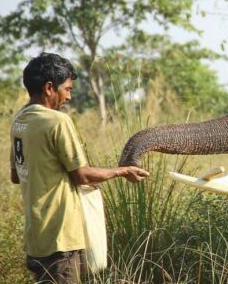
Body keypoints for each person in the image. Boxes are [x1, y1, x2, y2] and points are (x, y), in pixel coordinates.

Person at [10, 53, 150, 283]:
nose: (69, 96)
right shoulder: (57, 121)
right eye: (67, 89)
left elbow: (17, 175)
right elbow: (82, 174)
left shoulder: (20, 120)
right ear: (49, 88)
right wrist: (122, 171)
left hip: (35, 236)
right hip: (60, 235)